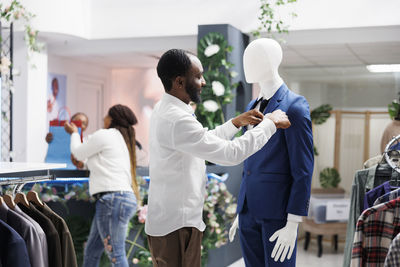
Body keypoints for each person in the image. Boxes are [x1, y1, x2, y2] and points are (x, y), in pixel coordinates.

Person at [145, 48, 291, 267]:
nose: (204, 82)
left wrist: (235, 123)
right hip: (176, 226)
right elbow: (231, 154)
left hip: (173, 221)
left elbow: (201, 140)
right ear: (179, 82)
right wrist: (270, 123)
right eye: (198, 76)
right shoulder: (177, 119)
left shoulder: (165, 109)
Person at [230, 38, 314, 267]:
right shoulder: (251, 106)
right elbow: (249, 161)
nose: (246, 64)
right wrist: (241, 210)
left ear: (271, 61)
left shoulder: (294, 106)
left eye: (253, 58)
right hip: (248, 210)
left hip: (278, 212)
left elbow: (303, 169)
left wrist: (294, 221)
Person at [64, 104, 139, 267]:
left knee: (116, 255)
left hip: (112, 201)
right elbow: (100, 163)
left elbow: (78, 152)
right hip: (120, 199)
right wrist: (83, 164)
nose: (103, 118)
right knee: (92, 251)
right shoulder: (120, 139)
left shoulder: (105, 135)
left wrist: (74, 133)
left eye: (106, 115)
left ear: (111, 119)